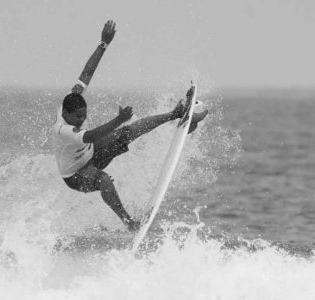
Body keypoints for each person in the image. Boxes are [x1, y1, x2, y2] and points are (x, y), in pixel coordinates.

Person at [52, 20, 208, 231]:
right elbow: (90, 136)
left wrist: (103, 44)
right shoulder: (63, 130)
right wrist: (119, 119)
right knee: (104, 180)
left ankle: (176, 114)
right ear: (65, 114)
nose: (81, 120)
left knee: (128, 132)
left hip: (91, 154)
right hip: (75, 175)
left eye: (83, 116)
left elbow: (86, 74)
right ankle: (129, 222)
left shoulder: (73, 98)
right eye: (77, 117)